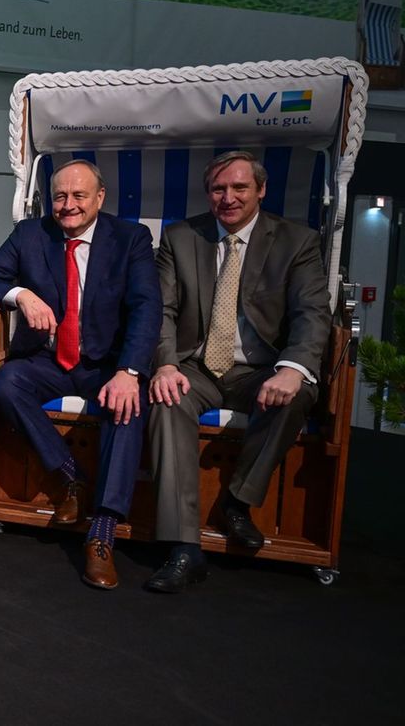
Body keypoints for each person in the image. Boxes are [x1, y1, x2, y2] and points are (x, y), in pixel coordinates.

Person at [0, 160, 161, 589]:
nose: (67, 206)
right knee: (5, 384)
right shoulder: (31, 235)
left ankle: (102, 531)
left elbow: (147, 307)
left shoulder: (130, 239)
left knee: (126, 407)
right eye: (60, 197)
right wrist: (21, 295)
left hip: (105, 364)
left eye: (79, 196)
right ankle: (71, 476)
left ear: (100, 198)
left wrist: (129, 371)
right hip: (49, 360)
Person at [146, 150, 331, 593]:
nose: (228, 197)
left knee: (299, 393)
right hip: (197, 366)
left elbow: (312, 313)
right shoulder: (180, 237)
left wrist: (292, 368)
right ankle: (184, 547)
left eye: (239, 188)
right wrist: (166, 363)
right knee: (166, 400)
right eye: (218, 189)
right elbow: (161, 310)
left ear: (261, 190)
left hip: (260, 369)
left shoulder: (297, 241)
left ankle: (236, 502)